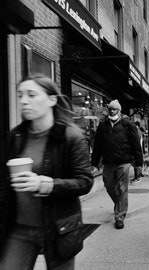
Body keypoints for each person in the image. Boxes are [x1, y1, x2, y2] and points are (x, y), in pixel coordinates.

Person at [0, 74, 93, 270]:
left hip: (59, 227)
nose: (24, 100)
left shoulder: (71, 136)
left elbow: (84, 181)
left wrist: (45, 184)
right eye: (20, 95)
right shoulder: (16, 136)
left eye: (32, 95)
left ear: (51, 100)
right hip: (19, 228)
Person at [91, 99, 143, 229]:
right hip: (108, 162)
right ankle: (119, 205)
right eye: (110, 109)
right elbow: (97, 145)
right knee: (108, 185)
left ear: (119, 110)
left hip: (123, 162)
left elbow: (136, 144)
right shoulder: (103, 125)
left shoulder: (127, 124)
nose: (112, 111)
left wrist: (138, 162)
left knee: (122, 189)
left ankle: (119, 216)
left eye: (114, 109)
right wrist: (94, 163)